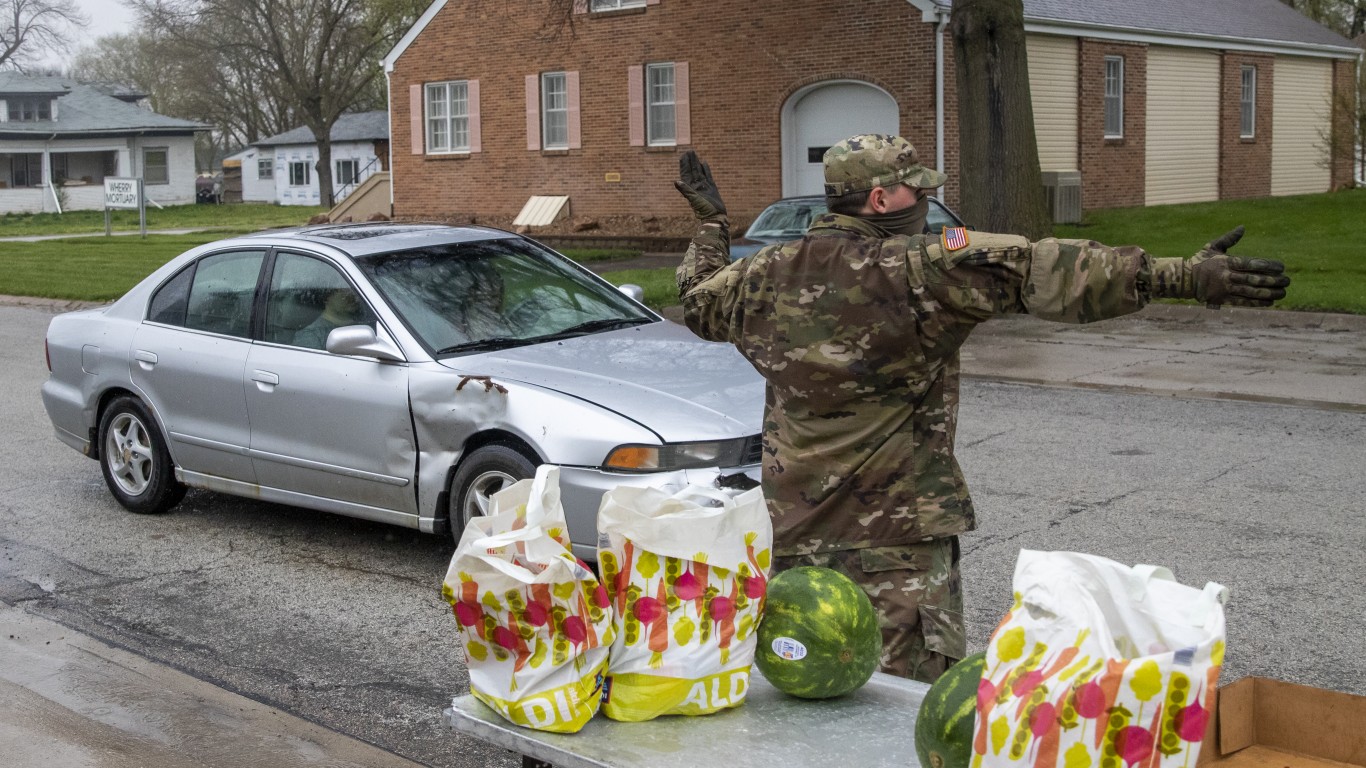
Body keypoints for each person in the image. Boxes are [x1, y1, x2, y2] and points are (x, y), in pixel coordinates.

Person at [672, 134, 1289, 683]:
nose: (926, 206)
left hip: (793, 538)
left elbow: (698, 299)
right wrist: (1183, 276)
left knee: (813, 693)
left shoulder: (761, 275)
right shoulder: (923, 270)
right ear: (881, 200)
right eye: (917, 193)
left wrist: (710, 223)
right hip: (900, 543)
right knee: (903, 712)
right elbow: (1043, 268)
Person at [294, 287, 364, 350]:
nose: (350, 294)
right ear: (328, 296)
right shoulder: (311, 335)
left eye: (353, 289)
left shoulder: (366, 325)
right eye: (343, 290)